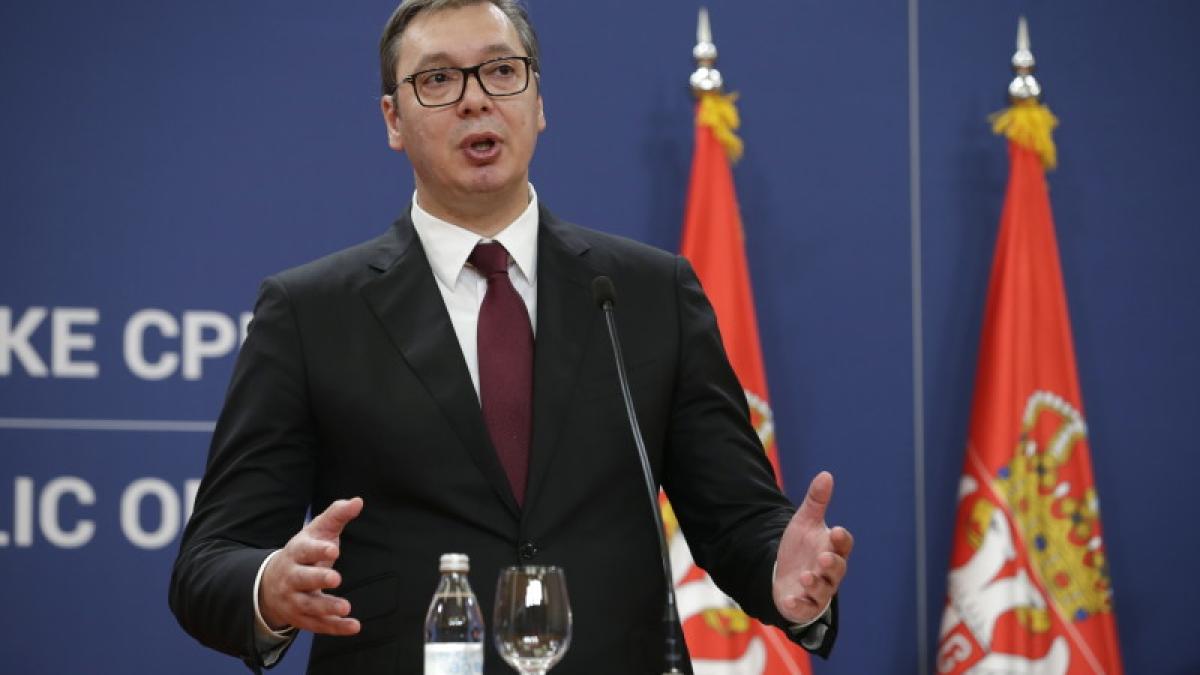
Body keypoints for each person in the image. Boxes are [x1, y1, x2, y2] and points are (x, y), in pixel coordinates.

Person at [168, 1, 854, 672]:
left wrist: (782, 569)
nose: (476, 100)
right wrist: (269, 585)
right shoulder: (311, 312)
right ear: (393, 120)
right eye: (438, 79)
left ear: (539, 103)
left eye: (501, 71)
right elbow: (209, 560)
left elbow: (735, 517)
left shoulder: (648, 293)